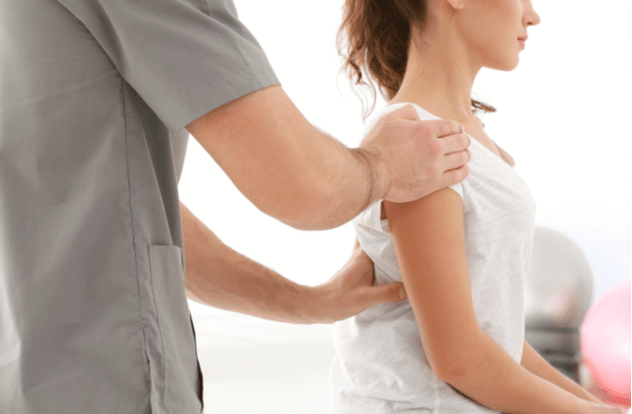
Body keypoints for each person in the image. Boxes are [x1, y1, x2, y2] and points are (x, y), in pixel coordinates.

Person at [0, 0, 472, 413]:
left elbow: (123, 212)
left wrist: (309, 303)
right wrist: (382, 166)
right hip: (104, 378)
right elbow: (301, 185)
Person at [330, 1, 625, 413]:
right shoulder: (421, 142)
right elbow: (459, 359)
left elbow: (497, 339)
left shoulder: (461, 136)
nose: (532, 15)